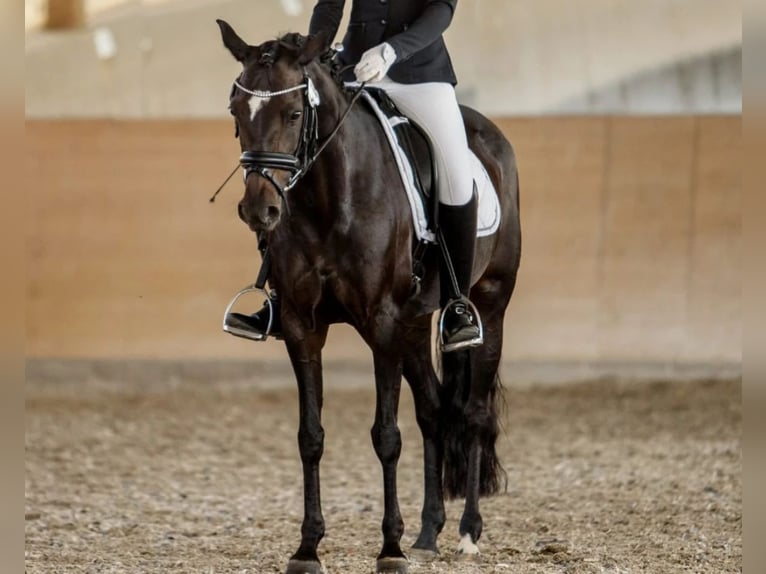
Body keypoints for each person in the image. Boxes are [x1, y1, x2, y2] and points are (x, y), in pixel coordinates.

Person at [228, 0, 482, 350]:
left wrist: (392, 51)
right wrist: (313, 53)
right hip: (352, 69)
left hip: (420, 76)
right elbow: (330, 6)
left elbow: (441, 11)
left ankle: (457, 303)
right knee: (295, 159)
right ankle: (279, 295)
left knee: (455, 170)